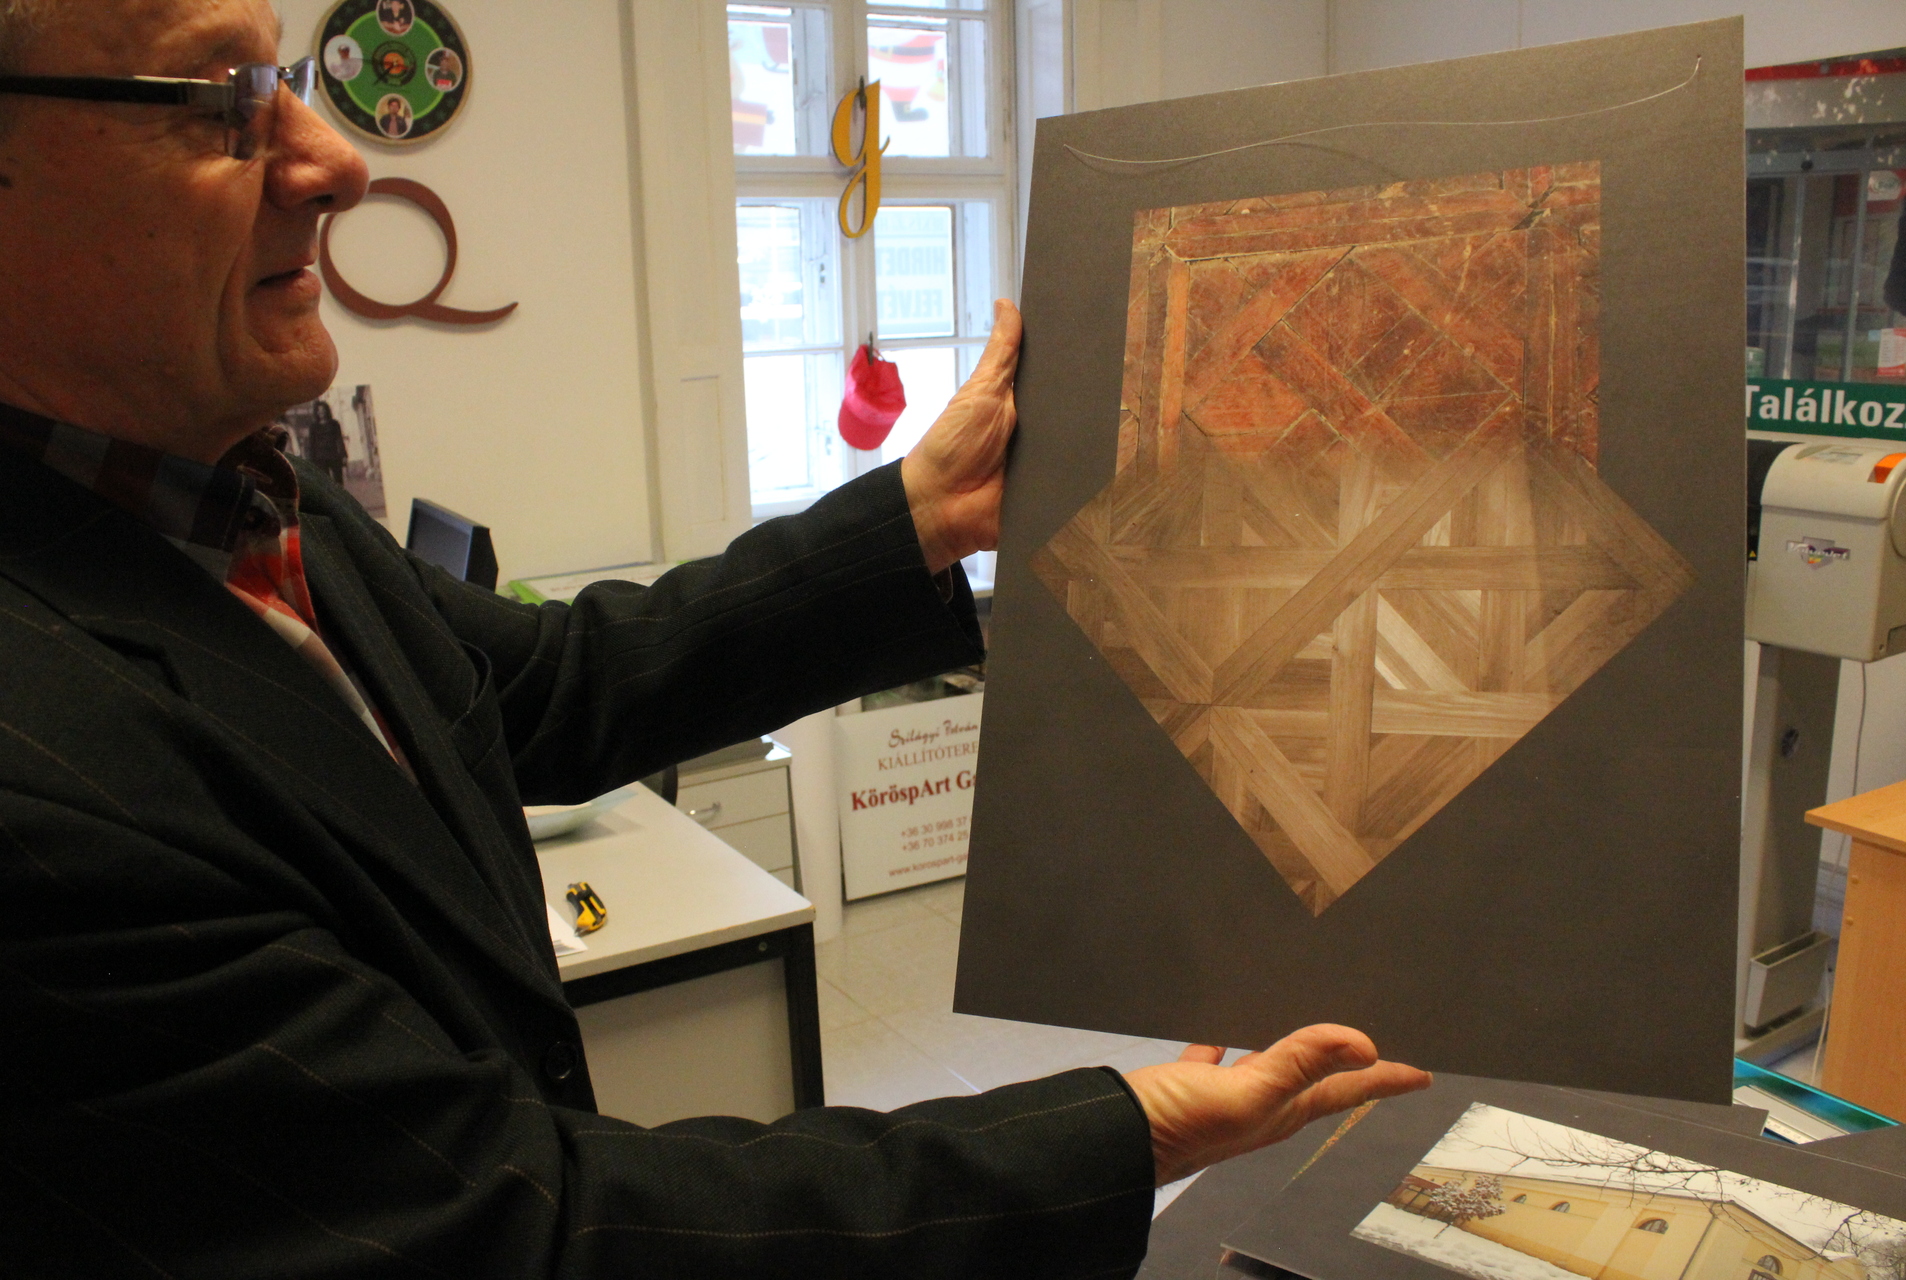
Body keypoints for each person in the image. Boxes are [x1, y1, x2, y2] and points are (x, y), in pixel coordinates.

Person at [0, 1, 1430, 1276]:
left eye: (289, 81)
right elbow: (529, 1228)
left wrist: (924, 514)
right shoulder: (43, 778)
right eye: (222, 98)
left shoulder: (247, 494)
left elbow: (550, 685)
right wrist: (1123, 1134)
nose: (334, 161)